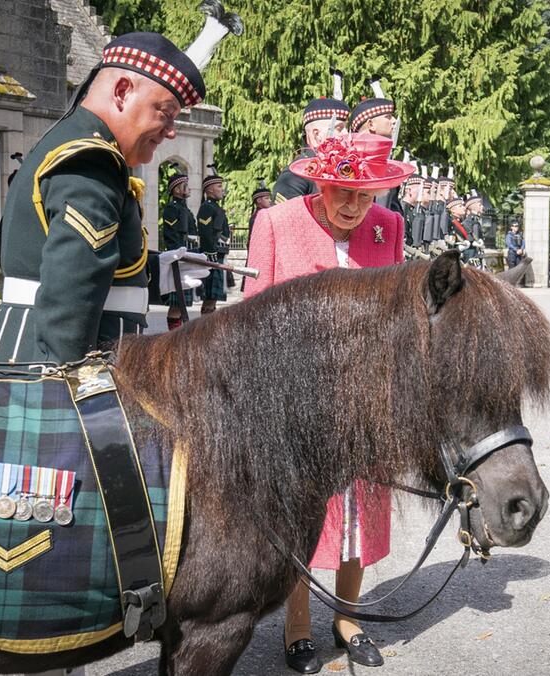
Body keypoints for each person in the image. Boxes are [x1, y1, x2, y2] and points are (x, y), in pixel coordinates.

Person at [243, 132, 414, 674]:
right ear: (319, 179)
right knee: (302, 516)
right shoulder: (275, 223)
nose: (354, 207)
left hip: (367, 400)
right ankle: (296, 625)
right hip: (298, 399)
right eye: (343, 192)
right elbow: (252, 322)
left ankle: (347, 616)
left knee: (359, 512)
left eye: (366, 196)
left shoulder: (390, 227)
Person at [0, 20, 234, 364]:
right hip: (60, 361)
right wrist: (69, 389)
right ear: (123, 91)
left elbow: (94, 267)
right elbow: (72, 293)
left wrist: (160, 271)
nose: (171, 132)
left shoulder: (83, 147)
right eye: (165, 113)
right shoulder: (93, 159)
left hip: (43, 348)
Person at [272, 71, 350, 204]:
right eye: (339, 128)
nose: (346, 134)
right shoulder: (295, 175)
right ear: (316, 134)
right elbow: (286, 221)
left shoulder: (344, 168)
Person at [350, 77, 404, 217]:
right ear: (371, 124)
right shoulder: (351, 160)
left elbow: (392, 205)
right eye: (388, 117)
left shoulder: (386, 161)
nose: (393, 121)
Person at [161, 171, 197, 330]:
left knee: (183, 304)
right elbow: (171, 235)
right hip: (178, 258)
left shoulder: (186, 210)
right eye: (185, 185)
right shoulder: (171, 208)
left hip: (187, 255)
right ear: (176, 189)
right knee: (177, 306)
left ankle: (179, 335)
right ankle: (173, 336)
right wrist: (178, 255)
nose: (188, 188)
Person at [196, 170, 230, 314]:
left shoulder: (216, 207)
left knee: (214, 298)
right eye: (219, 186)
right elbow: (205, 233)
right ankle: (204, 329)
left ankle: (208, 328)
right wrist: (210, 253)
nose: (222, 189)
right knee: (209, 297)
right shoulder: (206, 208)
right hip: (211, 256)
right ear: (209, 190)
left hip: (219, 254)